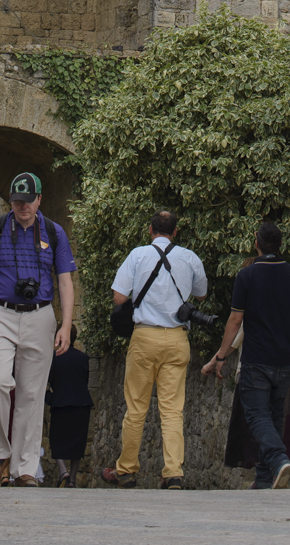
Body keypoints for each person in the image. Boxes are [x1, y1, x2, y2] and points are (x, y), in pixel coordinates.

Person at [0, 172, 76, 487]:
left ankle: (25, 468)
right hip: (0, 313)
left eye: (27, 201)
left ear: (39, 199)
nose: (22, 207)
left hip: (40, 316)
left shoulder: (54, 233)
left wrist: (66, 325)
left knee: (32, 394)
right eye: (16, 201)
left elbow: (65, 281)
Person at [202, 220, 290, 491]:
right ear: (279, 244)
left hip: (256, 359)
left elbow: (235, 320)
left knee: (256, 415)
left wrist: (220, 356)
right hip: (286, 360)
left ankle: (278, 460)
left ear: (257, 244)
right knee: (276, 417)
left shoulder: (248, 276)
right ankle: (265, 478)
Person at [102, 209, 208, 490]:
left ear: (151, 230)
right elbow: (201, 293)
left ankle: (126, 469)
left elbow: (119, 297)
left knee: (136, 407)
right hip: (176, 340)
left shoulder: (137, 255)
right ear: (175, 232)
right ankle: (173, 472)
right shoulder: (189, 257)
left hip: (145, 338)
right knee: (173, 409)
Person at [47, 324, 93, 486]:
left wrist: (50, 399)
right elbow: (84, 380)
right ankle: (72, 478)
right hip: (81, 403)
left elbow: (45, 383)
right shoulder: (83, 358)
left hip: (60, 403)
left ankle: (63, 471)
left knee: (56, 439)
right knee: (77, 441)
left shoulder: (52, 358)